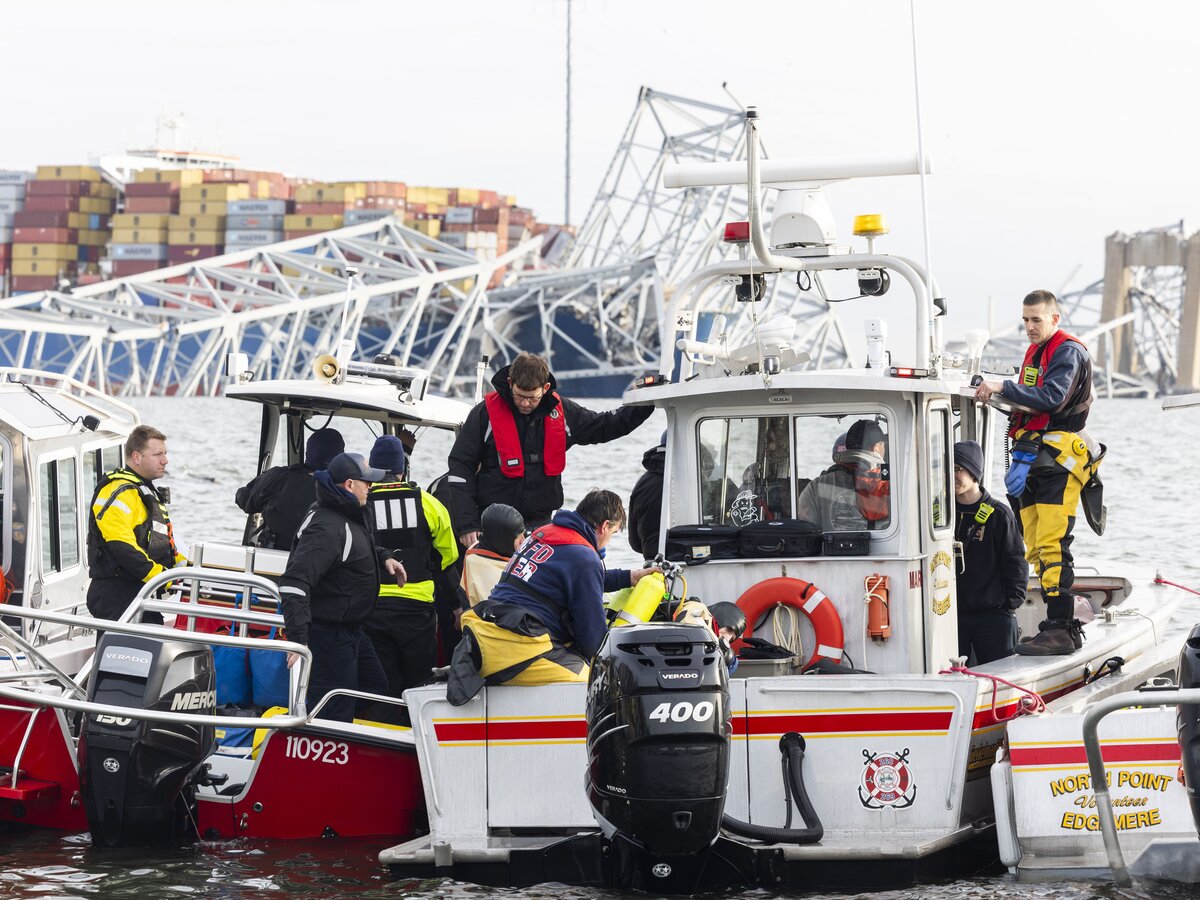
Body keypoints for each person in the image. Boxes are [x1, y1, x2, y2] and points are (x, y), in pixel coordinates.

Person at [975, 289, 1100, 656]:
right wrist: (999, 394)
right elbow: (1030, 396)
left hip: (1058, 461)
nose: (1030, 327)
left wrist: (1002, 385)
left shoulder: (1068, 351)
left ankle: (1062, 628)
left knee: (1052, 542)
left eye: (1037, 320)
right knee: (1035, 544)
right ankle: (1054, 625)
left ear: (1054, 319)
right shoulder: (1038, 351)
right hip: (1034, 455)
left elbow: (1052, 398)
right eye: (1026, 320)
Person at [446, 490, 655, 702]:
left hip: (486, 633)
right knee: (596, 684)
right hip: (517, 646)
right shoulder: (584, 557)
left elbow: (576, 576)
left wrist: (630, 577)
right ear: (604, 526)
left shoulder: (543, 534)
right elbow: (592, 638)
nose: (609, 540)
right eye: (614, 533)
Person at [446, 352, 653, 547]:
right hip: (492, 524)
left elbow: (605, 425)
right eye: (519, 396)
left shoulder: (564, 412)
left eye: (532, 398)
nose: (525, 403)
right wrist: (466, 524)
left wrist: (645, 401)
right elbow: (460, 467)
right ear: (510, 384)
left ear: (545, 388)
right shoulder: (484, 414)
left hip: (541, 525)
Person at [277, 452, 405, 722]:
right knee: (335, 710)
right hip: (327, 635)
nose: (371, 487)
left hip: (352, 631)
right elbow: (293, 585)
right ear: (349, 485)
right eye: (366, 482)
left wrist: (383, 557)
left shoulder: (348, 512)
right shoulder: (326, 526)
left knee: (374, 687)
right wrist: (298, 640)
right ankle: (320, 744)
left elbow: (357, 545)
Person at [360, 435, 460, 723]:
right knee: (419, 681)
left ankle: (380, 734)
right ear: (403, 469)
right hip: (417, 612)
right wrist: (456, 604)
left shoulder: (363, 503)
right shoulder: (429, 504)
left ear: (373, 470)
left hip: (373, 608)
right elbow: (447, 559)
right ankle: (416, 738)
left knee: (383, 682)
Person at [87, 425, 186, 624]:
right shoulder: (119, 490)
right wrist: (160, 577)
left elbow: (159, 543)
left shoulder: (141, 490)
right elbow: (122, 546)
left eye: (165, 454)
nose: (165, 460)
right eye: (157, 454)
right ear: (137, 457)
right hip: (118, 594)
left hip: (140, 592)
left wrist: (189, 570)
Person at [952, 440, 1028, 664]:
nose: (952, 475)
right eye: (948, 469)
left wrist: (1010, 604)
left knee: (1001, 675)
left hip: (994, 617)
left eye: (958, 469)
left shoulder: (998, 514)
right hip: (953, 617)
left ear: (974, 473)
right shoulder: (941, 513)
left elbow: (1015, 562)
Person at [234, 428, 343, 550]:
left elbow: (244, 499)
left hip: (268, 560)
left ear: (308, 451)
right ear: (340, 457)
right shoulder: (347, 492)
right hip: (320, 565)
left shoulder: (277, 477)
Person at [796, 419, 890, 531]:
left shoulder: (816, 486)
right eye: (883, 445)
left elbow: (805, 528)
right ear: (876, 448)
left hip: (831, 548)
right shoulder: (890, 483)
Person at [460, 503, 526, 608]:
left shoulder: (475, 549)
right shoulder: (489, 574)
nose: (524, 541)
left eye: (524, 534)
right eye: (518, 537)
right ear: (503, 540)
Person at [627, 431, 666, 559]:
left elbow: (635, 543)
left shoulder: (641, 484)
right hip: (701, 557)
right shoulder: (706, 476)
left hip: (654, 565)